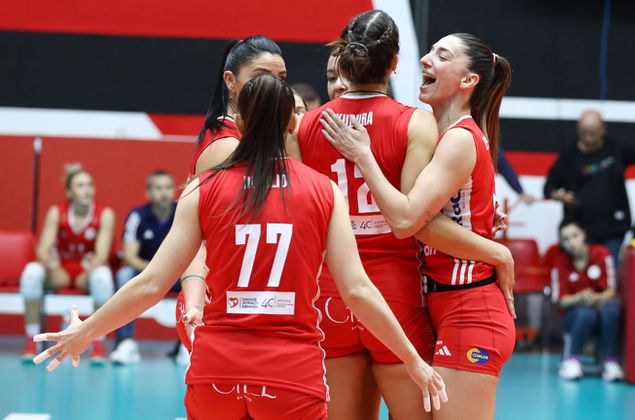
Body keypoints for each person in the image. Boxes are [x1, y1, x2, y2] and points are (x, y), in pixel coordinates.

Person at [32, 74, 447, 420]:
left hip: (217, 373)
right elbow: (357, 290)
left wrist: (87, 331)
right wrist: (413, 360)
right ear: (293, 124)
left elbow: (152, 283)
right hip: (290, 375)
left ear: (239, 122)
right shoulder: (323, 192)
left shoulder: (202, 188)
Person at [290, 13, 515, 419]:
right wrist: (495, 248)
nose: (427, 60)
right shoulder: (417, 122)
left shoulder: (305, 125)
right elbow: (412, 217)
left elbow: (297, 215)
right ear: (394, 63)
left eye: (440, 55)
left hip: (332, 292)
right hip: (396, 294)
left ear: (344, 60)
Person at [176, 35, 288, 353]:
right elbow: (196, 243)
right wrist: (195, 301)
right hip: (218, 305)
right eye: (260, 76)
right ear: (230, 81)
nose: (274, 87)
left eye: (281, 79)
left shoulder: (255, 139)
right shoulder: (226, 147)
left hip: (250, 303)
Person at [19, 163, 115, 363]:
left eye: (90, 185)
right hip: (60, 271)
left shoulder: (104, 214)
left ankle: (98, 344)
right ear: (69, 192)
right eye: (80, 185)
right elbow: (43, 250)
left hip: (85, 274)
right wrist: (50, 262)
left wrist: (92, 266)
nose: (87, 190)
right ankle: (31, 340)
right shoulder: (57, 211)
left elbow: (101, 255)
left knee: (103, 278)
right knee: (31, 274)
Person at [544, 109, 635, 263]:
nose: (588, 138)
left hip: (613, 228)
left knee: (608, 270)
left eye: (593, 133)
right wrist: (561, 196)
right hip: (580, 231)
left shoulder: (615, 148)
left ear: (602, 129)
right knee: (582, 273)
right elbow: (548, 187)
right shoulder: (568, 156)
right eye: (584, 133)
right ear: (578, 129)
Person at [110, 170, 177, 364]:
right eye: (158, 188)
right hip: (145, 272)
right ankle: (125, 342)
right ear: (148, 193)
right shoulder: (137, 216)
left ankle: (188, 345)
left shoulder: (183, 212)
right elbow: (129, 256)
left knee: (199, 278)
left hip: (176, 273)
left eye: (168, 187)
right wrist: (154, 271)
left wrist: (170, 271)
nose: (164, 193)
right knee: (124, 275)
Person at [551, 220, 623, 382]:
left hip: (601, 311)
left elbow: (611, 291)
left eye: (575, 236)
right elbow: (560, 300)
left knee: (611, 310)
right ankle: (571, 361)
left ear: (583, 235)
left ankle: (611, 363)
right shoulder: (560, 262)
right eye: (566, 239)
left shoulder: (602, 253)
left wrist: (595, 298)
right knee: (585, 313)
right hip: (573, 316)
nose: (571, 242)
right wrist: (580, 297)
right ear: (562, 243)